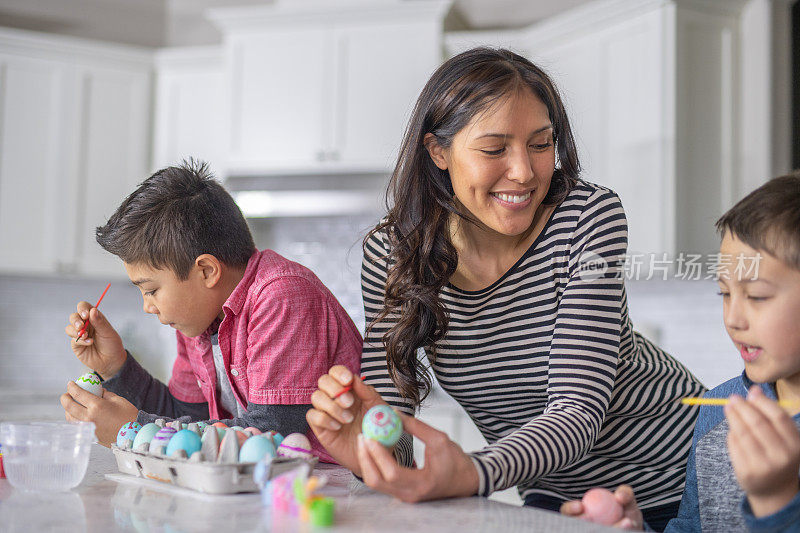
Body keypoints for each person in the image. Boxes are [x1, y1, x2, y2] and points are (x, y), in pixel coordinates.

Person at [305, 47, 706, 530]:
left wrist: (470, 471)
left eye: (541, 144)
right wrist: (371, 449)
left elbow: (576, 411)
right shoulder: (394, 257)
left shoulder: (587, 218)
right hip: (555, 496)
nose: (524, 171)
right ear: (437, 151)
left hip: (684, 478)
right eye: (495, 149)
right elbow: (391, 415)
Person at [60, 160, 362, 461]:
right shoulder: (199, 318)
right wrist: (115, 367)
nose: (147, 306)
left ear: (206, 271)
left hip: (341, 485)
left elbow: (270, 432)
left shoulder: (281, 296)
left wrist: (133, 430)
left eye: (151, 290)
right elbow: (184, 414)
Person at [561, 173, 800, 532]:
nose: (733, 319)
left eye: (757, 296)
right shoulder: (718, 411)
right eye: (725, 293)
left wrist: (777, 502)